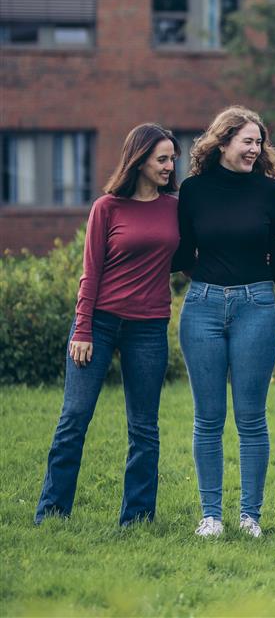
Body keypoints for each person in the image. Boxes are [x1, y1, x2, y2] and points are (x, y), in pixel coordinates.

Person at [35, 124, 181, 526]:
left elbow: (190, 259)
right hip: (99, 323)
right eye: (162, 159)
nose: (169, 166)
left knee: (144, 427)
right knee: (74, 417)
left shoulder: (174, 208)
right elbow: (91, 273)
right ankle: (52, 511)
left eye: (172, 159)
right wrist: (82, 329)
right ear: (140, 160)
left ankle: (138, 517)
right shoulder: (107, 207)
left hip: (149, 327)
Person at [174, 106, 275, 538]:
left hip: (256, 306)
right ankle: (211, 516)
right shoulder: (193, 190)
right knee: (207, 417)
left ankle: (250, 516)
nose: (255, 149)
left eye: (259, 142)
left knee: (251, 417)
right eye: (247, 141)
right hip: (201, 306)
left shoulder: (270, 191)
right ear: (223, 142)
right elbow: (183, 252)